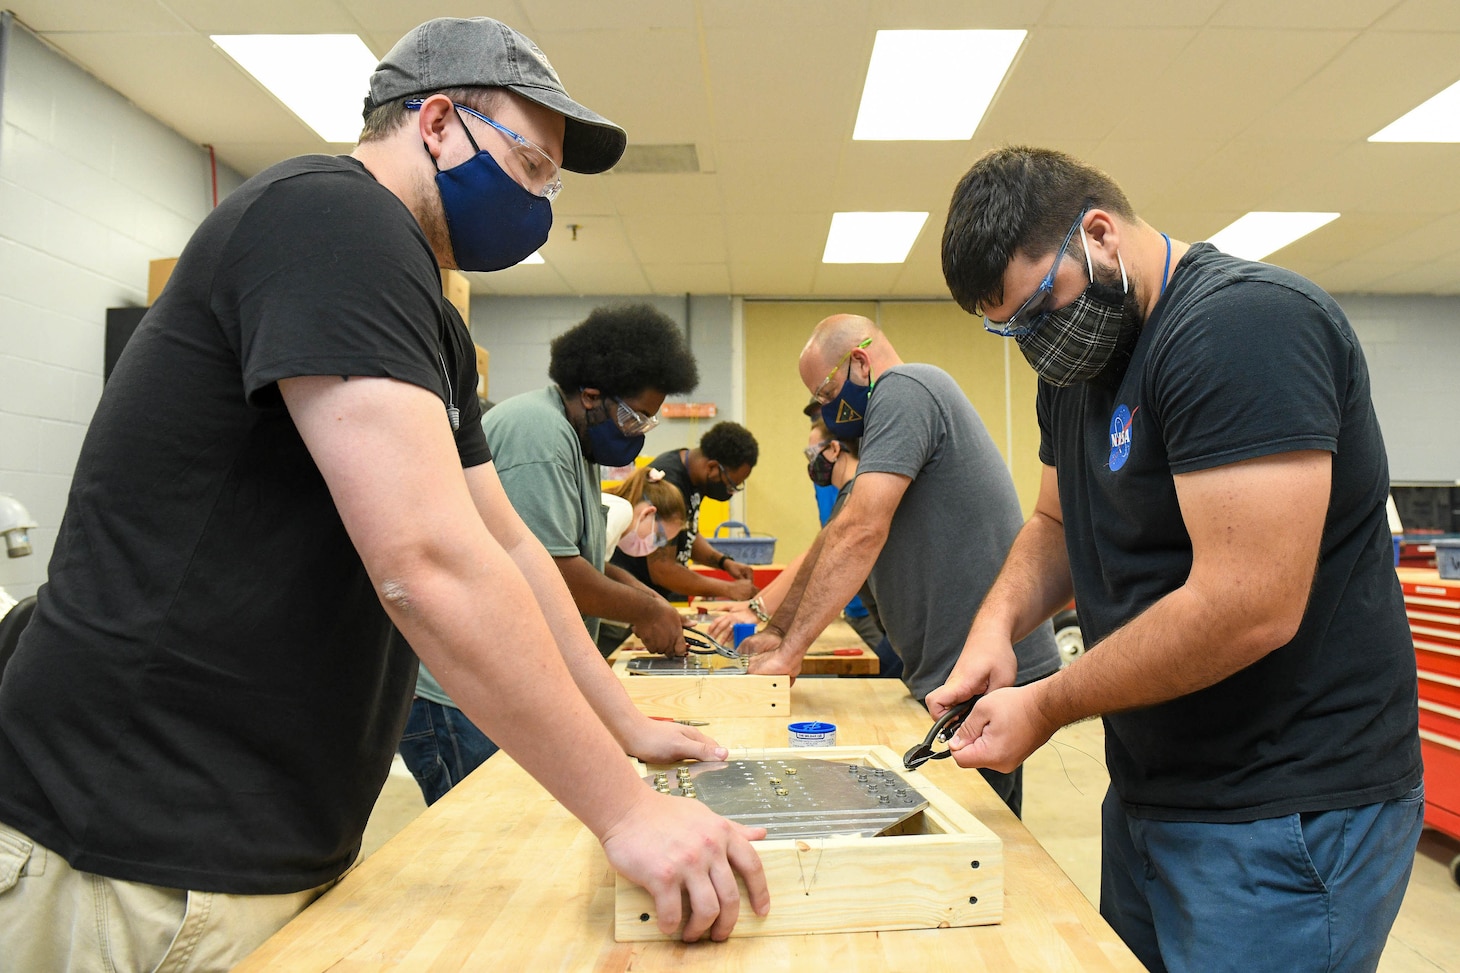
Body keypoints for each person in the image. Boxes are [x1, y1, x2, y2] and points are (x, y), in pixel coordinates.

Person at [0, 18, 767, 969]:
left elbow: (510, 548)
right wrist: (624, 810)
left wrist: (625, 723)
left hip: (254, 831)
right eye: (533, 166)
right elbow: (426, 562)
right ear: (439, 123)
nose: (541, 200)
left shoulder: (429, 319)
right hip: (136, 841)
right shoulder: (332, 220)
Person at [933, 145, 1422, 973]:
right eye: (1012, 329)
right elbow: (1055, 521)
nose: (1038, 344)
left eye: (1040, 307)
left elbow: (1248, 605)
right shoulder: (1080, 366)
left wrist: (1048, 703)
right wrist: (996, 629)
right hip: (1158, 792)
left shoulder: (1241, 326)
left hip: (1285, 808)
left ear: (1099, 233)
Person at [739, 315, 1062, 816]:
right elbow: (837, 533)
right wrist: (778, 632)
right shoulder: (881, 430)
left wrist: (791, 652)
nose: (826, 408)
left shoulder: (907, 388)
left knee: (971, 846)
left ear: (861, 362)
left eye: (826, 392)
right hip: (950, 674)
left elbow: (862, 529)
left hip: (981, 672)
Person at [400, 304, 702, 802]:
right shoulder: (538, 434)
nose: (635, 435)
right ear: (591, 395)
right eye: (632, 418)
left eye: (646, 424)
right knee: (495, 850)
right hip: (462, 696)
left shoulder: (573, 440)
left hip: (500, 685)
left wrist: (647, 598)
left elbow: (583, 559)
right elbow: (555, 577)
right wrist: (646, 609)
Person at [708, 417, 896, 675]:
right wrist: (775, 627)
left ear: (833, 450)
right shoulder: (849, 493)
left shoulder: (858, 495)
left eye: (812, 453)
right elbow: (814, 559)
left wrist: (778, 634)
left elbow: (824, 565)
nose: (811, 463)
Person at [598, 423, 761, 650]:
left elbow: (687, 533)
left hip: (632, 605)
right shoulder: (663, 486)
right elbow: (663, 569)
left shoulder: (690, 479)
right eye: (732, 484)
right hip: (613, 610)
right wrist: (727, 589)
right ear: (713, 467)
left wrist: (722, 562)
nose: (732, 491)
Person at [604, 465, 688, 555]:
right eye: (658, 538)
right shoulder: (622, 511)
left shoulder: (613, 539)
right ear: (647, 513)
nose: (654, 548)